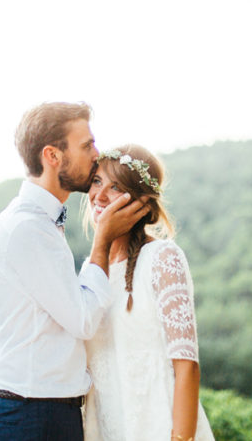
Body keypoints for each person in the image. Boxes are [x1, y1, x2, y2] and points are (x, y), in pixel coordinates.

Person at [0, 102, 151, 441]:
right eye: (87, 145)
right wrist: (102, 239)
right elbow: (84, 320)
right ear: (52, 155)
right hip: (31, 419)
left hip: (50, 415)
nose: (96, 153)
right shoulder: (26, 229)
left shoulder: (41, 223)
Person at [82, 144, 215, 441]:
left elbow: (187, 366)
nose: (100, 196)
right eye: (97, 181)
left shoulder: (162, 258)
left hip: (160, 427)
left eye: (115, 187)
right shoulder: (88, 273)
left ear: (141, 202)